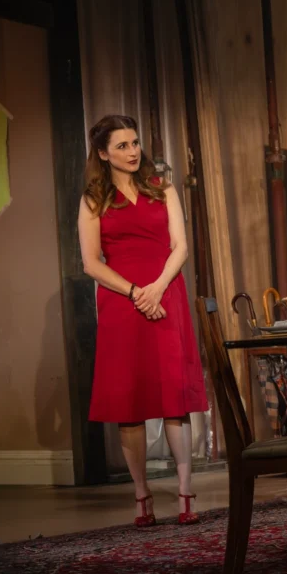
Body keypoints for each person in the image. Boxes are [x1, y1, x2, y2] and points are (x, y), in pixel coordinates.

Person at [78, 114, 208, 527]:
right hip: (122, 302)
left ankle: (185, 491)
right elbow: (91, 263)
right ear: (103, 154)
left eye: (134, 143)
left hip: (165, 294)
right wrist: (136, 292)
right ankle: (141, 495)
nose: (133, 151)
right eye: (122, 146)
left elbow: (180, 246)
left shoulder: (161, 187)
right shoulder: (93, 200)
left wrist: (156, 288)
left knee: (174, 396)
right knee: (130, 401)